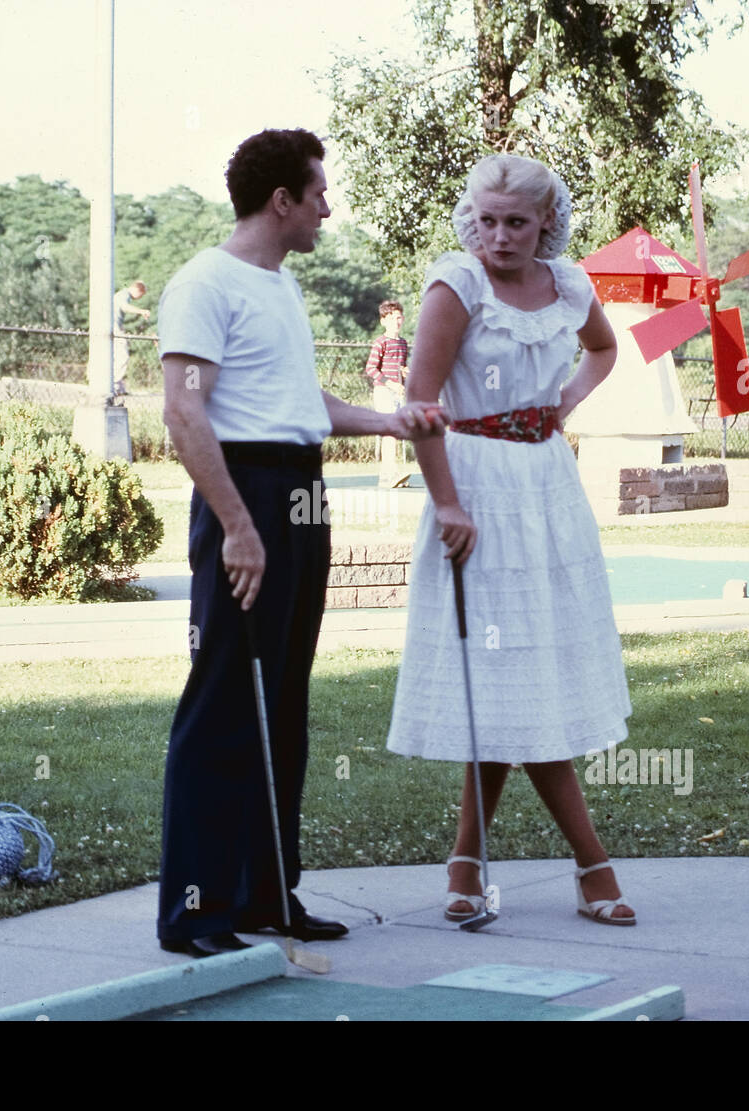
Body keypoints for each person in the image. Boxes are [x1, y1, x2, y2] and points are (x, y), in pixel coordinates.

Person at [156, 128, 445, 959]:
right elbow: (184, 413)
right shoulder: (204, 283)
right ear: (280, 200)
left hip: (299, 488)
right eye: (318, 191)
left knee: (281, 698)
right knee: (220, 701)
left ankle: (265, 892)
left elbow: (300, 402)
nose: (328, 204)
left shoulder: (279, 289)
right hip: (242, 494)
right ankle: (195, 911)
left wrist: (389, 419)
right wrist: (239, 527)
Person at [386, 153, 637, 926]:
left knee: (522, 681)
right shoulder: (456, 286)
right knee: (510, 677)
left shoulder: (567, 286)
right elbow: (420, 403)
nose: (500, 235)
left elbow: (605, 350)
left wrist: (561, 403)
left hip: (546, 486)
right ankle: (592, 861)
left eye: (517, 222)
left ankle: (466, 863)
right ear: (473, 219)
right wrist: (448, 503)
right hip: (476, 488)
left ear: (545, 225)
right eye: (488, 219)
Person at [365, 300, 411, 486]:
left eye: (399, 318)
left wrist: (404, 374)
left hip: (397, 393)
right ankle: (390, 474)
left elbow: (400, 367)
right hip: (383, 391)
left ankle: (387, 475)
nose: (396, 322)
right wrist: (390, 384)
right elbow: (371, 369)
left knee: (394, 432)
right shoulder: (380, 342)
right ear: (383, 321)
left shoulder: (402, 343)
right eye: (392, 319)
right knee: (389, 432)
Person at [112, 280, 150, 396]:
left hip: (115, 327)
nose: (139, 298)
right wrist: (141, 311)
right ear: (138, 290)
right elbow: (124, 307)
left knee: (117, 356)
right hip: (113, 328)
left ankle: (117, 384)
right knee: (123, 356)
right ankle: (114, 384)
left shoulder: (122, 294)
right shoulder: (124, 295)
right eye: (141, 295)